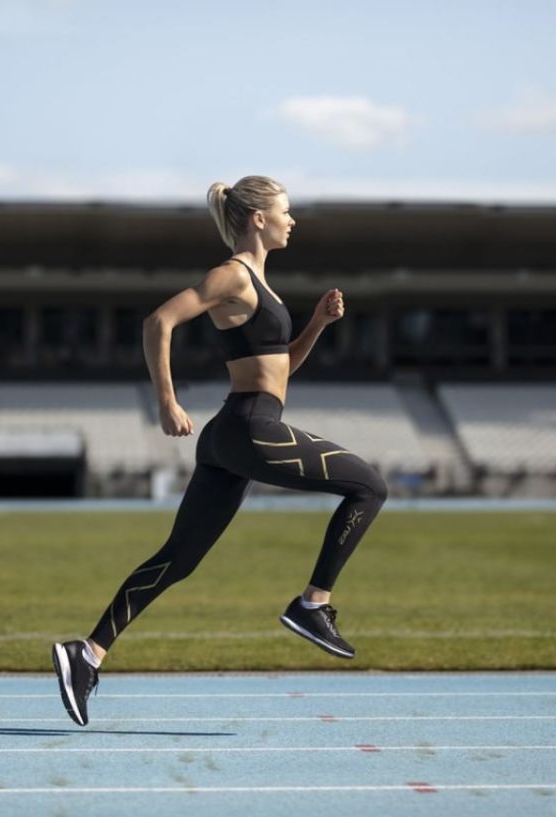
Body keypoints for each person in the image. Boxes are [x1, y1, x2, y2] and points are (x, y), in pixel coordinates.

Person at [53, 175, 388, 726]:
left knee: (177, 559)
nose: (292, 220)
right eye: (286, 211)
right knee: (369, 486)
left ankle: (86, 655)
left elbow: (278, 371)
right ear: (258, 218)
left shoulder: (261, 285)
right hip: (248, 427)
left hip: (237, 430)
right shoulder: (232, 275)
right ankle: (313, 605)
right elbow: (158, 321)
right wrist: (167, 400)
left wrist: (317, 326)